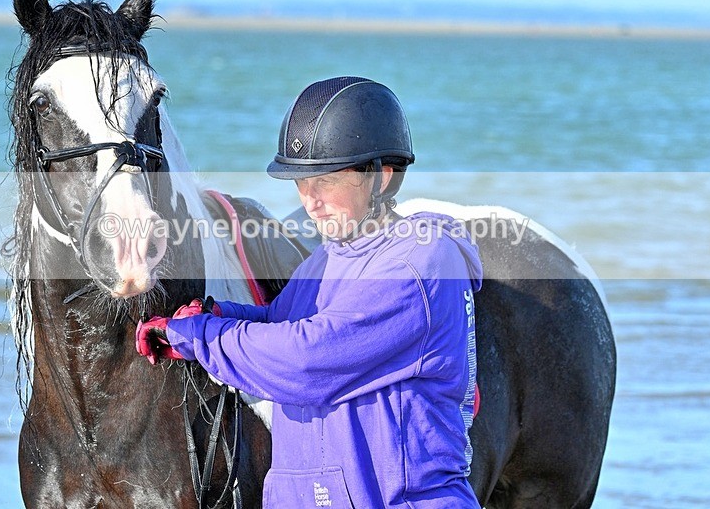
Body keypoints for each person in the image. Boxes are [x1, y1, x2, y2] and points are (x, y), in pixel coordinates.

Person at [136, 76, 483, 508]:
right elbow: (280, 321)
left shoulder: (420, 263)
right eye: (302, 182)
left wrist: (205, 337)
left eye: (327, 180)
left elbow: (308, 359)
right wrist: (214, 315)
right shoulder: (326, 259)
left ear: (383, 176)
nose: (310, 201)